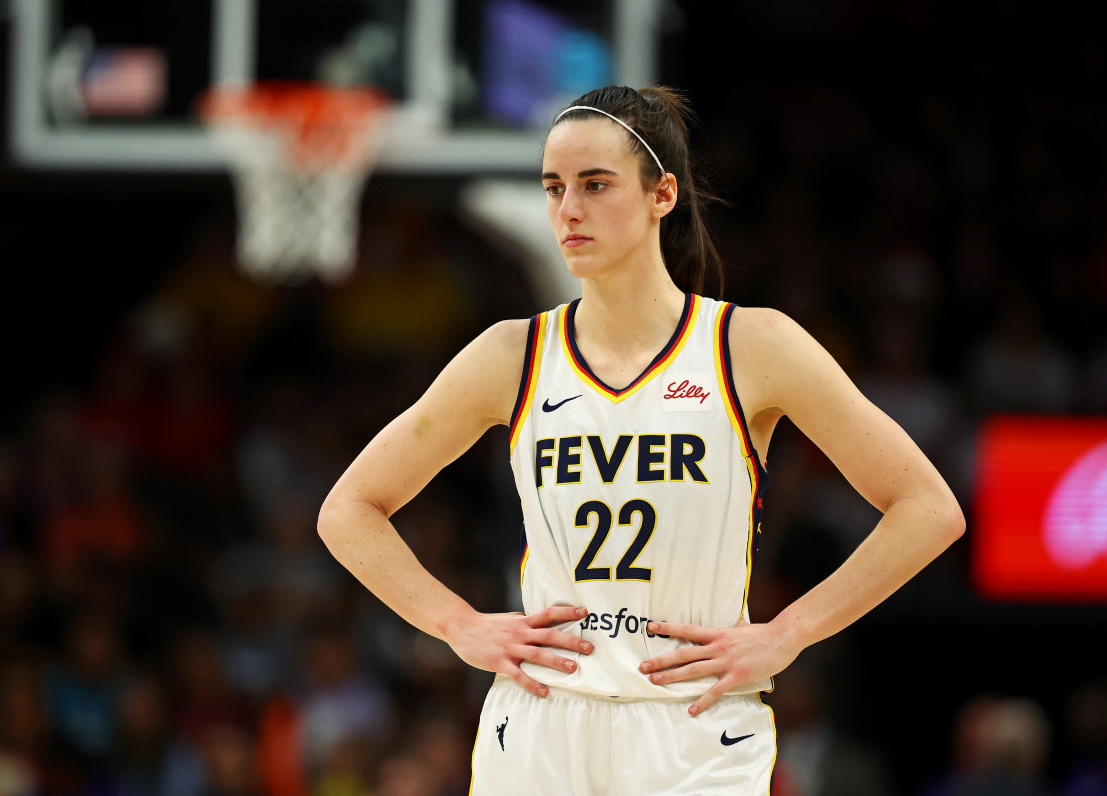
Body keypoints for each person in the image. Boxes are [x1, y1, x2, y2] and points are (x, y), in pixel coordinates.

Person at [317, 85, 965, 795]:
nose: (568, 209)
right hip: (541, 723)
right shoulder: (512, 355)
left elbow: (928, 508)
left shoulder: (751, 345)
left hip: (693, 725)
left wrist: (789, 633)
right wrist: (456, 624)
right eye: (554, 187)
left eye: (595, 184)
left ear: (662, 193)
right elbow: (348, 509)